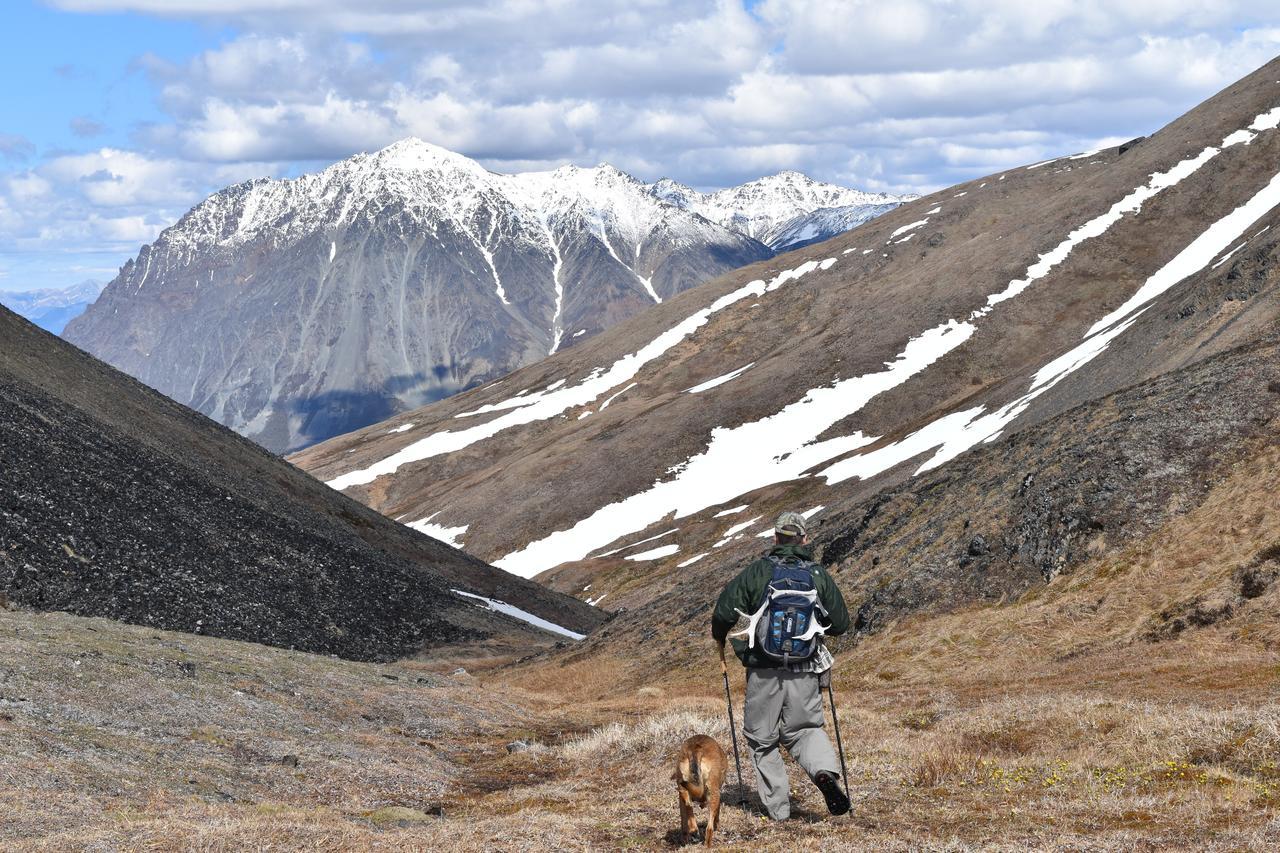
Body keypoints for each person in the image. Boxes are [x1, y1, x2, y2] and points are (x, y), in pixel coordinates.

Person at [710, 511, 851, 821]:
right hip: (804, 670)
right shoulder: (816, 575)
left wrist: (719, 637)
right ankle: (824, 773)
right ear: (804, 539)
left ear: (775, 538)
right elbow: (841, 623)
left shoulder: (758, 572)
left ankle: (779, 811)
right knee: (806, 730)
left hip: (763, 670)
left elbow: (723, 612)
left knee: (762, 739)